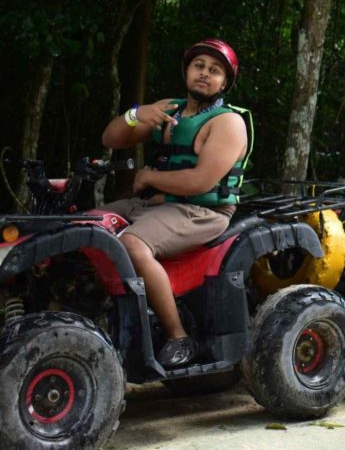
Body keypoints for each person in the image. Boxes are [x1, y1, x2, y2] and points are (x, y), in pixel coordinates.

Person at [101, 39, 252, 368]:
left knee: (133, 245)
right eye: (199, 66)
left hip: (203, 211)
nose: (204, 74)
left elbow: (201, 181)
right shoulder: (168, 111)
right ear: (186, 71)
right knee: (88, 224)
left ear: (224, 83)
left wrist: (149, 178)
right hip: (158, 204)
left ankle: (178, 335)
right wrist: (136, 114)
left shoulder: (227, 122)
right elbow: (111, 139)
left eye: (214, 71)